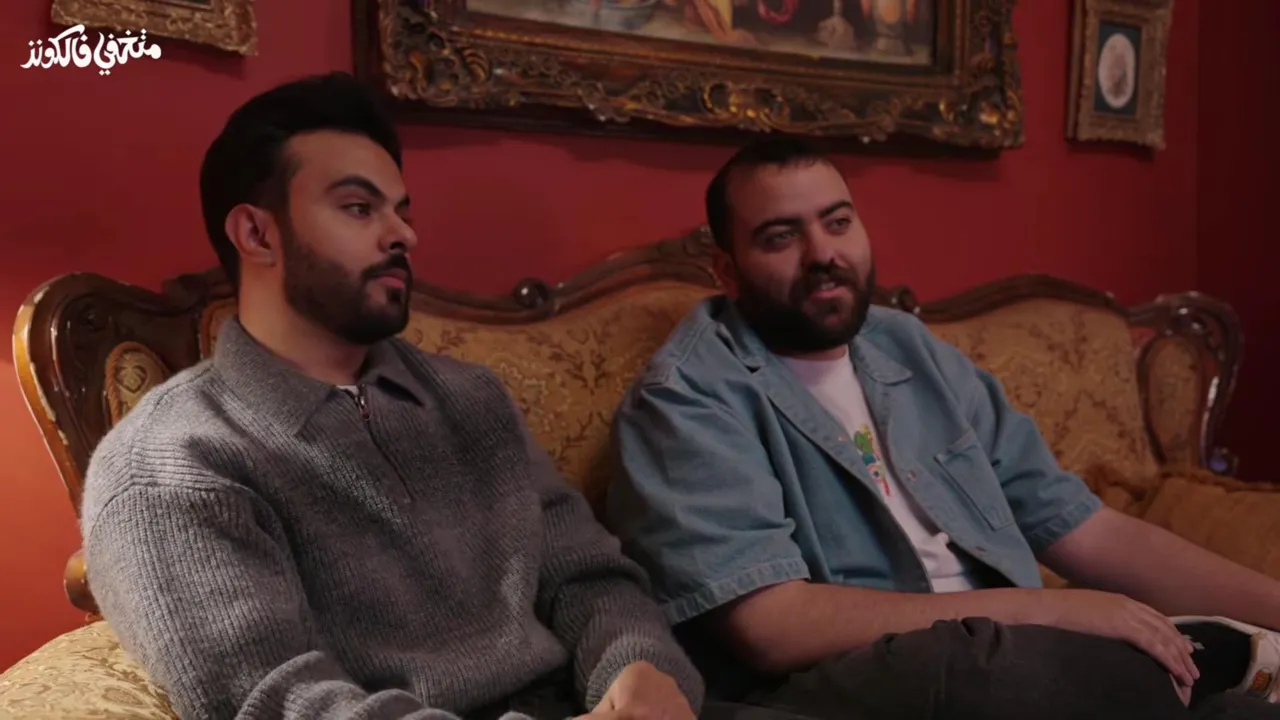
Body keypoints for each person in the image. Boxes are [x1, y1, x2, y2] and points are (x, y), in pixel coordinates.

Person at [79, 72, 709, 720]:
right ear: (257, 234)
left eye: (401, 210)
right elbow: (280, 699)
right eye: (360, 208)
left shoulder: (471, 398)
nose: (403, 235)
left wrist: (638, 668)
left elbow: (590, 577)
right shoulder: (170, 465)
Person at [607, 137, 1280, 719]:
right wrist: (1052, 610)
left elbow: (1087, 529)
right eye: (781, 237)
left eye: (838, 222)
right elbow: (770, 627)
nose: (823, 253)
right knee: (983, 665)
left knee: (1233, 711)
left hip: (1019, 655)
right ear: (726, 271)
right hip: (840, 684)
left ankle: (1204, 677)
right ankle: (1191, 670)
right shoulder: (687, 398)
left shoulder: (910, 350)